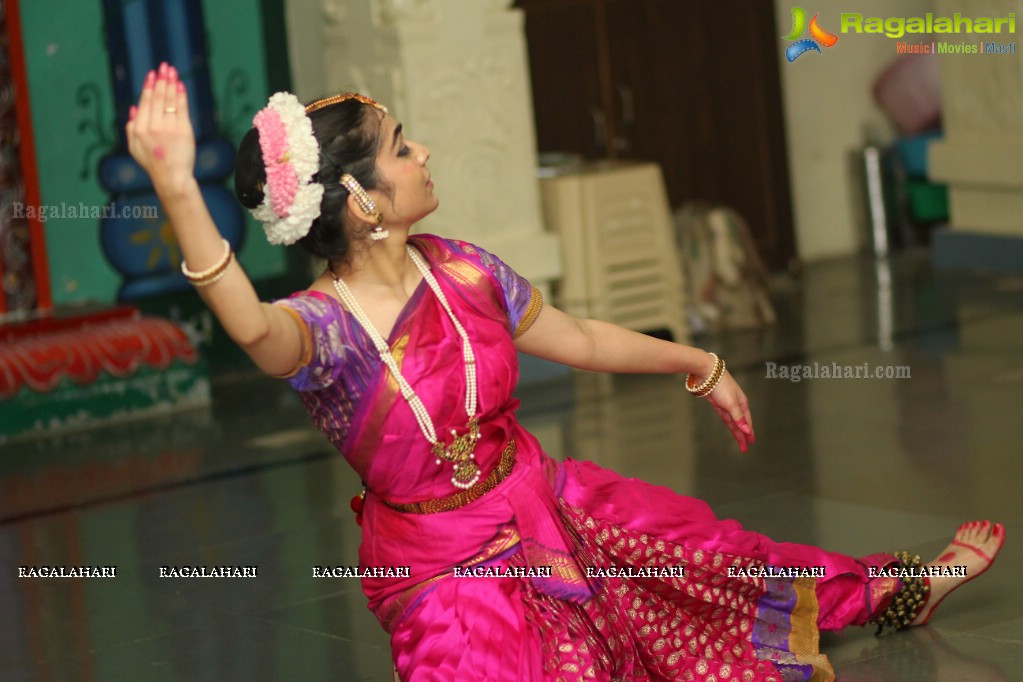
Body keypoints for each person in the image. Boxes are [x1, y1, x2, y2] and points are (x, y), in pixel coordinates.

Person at [127, 62, 1004, 681]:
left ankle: (897, 592)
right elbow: (248, 324)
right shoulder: (320, 332)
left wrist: (698, 361)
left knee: (713, 563)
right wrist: (175, 186)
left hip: (545, 499)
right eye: (399, 146)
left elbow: (577, 337)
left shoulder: (464, 268)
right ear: (361, 201)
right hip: (443, 573)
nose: (422, 150)